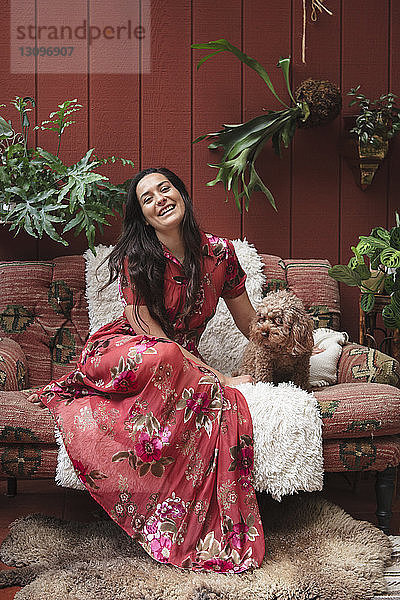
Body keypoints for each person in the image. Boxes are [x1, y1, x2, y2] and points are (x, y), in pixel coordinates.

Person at [29, 167, 265, 573]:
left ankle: (189, 529)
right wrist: (219, 377)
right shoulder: (138, 256)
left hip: (176, 359)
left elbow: (249, 322)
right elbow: (148, 331)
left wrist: (284, 345)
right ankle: (88, 389)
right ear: (143, 215)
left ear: (182, 195)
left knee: (191, 378)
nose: (160, 199)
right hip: (126, 350)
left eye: (165, 189)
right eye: (147, 198)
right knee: (168, 359)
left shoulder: (221, 254)